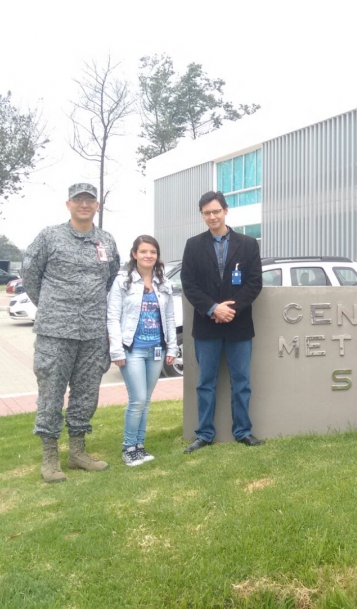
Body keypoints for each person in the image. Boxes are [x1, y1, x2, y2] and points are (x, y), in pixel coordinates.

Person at [22, 183, 120, 483]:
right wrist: (52, 306)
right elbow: (29, 275)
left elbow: (111, 279)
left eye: (89, 200)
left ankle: (77, 452)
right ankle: (50, 457)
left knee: (87, 394)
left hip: (92, 332)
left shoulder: (106, 240)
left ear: (97, 206)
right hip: (55, 332)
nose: (84, 204)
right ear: (68, 204)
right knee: (51, 394)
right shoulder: (49, 236)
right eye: (78, 200)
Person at [180, 191, 264, 451]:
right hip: (207, 326)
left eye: (216, 211)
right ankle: (204, 434)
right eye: (207, 213)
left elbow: (254, 284)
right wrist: (214, 308)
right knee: (206, 383)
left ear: (226, 211)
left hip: (239, 325)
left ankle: (243, 431)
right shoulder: (193, 245)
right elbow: (189, 284)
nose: (212, 216)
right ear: (202, 215)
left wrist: (231, 309)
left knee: (242, 382)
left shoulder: (248, 244)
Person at [107, 235, 178, 466]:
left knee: (146, 400)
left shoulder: (163, 283)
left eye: (153, 252)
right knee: (137, 399)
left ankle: (140, 446)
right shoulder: (122, 282)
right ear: (134, 254)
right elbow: (112, 318)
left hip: (156, 350)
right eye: (144, 251)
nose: (148, 255)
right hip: (133, 350)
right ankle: (128, 448)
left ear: (157, 256)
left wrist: (172, 347)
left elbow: (169, 317)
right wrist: (116, 351)